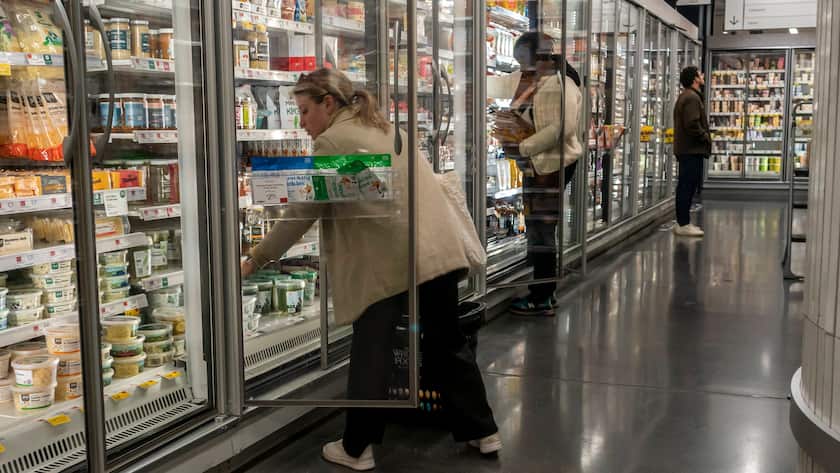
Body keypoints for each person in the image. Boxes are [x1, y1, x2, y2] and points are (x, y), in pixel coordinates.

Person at [241, 68, 499, 471]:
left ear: (329, 103)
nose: (303, 123)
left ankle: (357, 447)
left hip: (392, 264)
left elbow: (302, 212)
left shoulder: (334, 140)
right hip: (436, 250)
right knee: (448, 343)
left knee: (371, 352)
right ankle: (483, 430)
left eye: (305, 111)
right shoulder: (382, 127)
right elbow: (373, 196)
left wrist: (256, 259)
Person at [494, 32, 584, 316]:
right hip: (536, 163)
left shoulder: (564, 83)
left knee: (543, 229)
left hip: (552, 163)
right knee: (536, 227)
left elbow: (562, 128)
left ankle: (542, 296)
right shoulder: (534, 80)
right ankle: (544, 289)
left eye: (523, 58)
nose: (520, 65)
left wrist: (523, 145)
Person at [673, 65, 710, 237]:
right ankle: (683, 223)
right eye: (699, 74)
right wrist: (704, 136)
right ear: (695, 79)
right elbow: (692, 123)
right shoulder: (692, 98)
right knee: (687, 186)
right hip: (690, 149)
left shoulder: (687, 96)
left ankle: (683, 222)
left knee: (686, 185)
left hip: (688, 149)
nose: (702, 75)